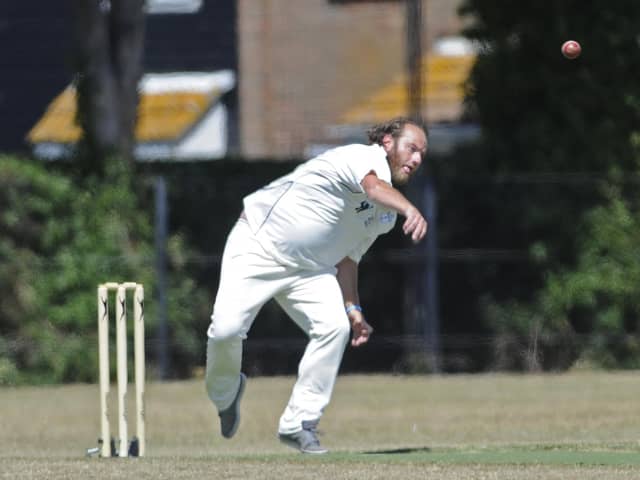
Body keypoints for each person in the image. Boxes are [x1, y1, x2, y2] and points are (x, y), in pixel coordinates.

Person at [205, 117, 428, 454]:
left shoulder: (385, 217)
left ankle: (300, 423)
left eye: (422, 155)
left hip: (309, 271)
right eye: (412, 148)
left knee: (334, 327)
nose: (416, 159)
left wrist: (353, 310)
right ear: (386, 143)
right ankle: (225, 394)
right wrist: (410, 207)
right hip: (257, 245)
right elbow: (372, 187)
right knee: (225, 331)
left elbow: (348, 259)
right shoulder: (361, 159)